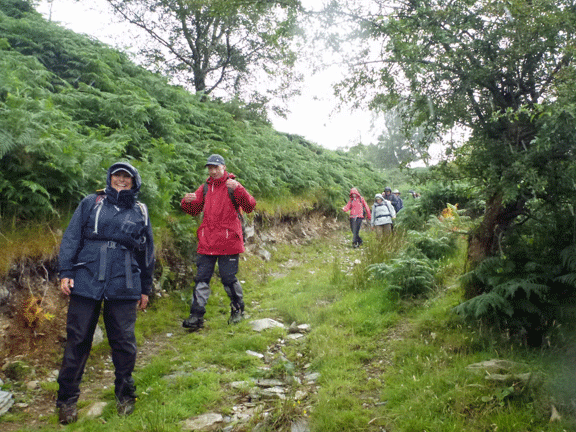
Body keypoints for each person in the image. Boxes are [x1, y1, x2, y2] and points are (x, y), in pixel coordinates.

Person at [56, 162, 155, 424]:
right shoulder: (91, 202)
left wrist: (145, 288)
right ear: (109, 179)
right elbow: (71, 237)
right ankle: (66, 401)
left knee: (123, 341)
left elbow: (147, 252)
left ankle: (125, 395)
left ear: (135, 182)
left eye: (127, 177)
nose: (121, 180)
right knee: (77, 340)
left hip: (124, 279)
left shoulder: (140, 211)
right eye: (117, 176)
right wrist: (66, 271)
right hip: (86, 276)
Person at [181, 154, 257, 331]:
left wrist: (239, 189)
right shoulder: (205, 188)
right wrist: (187, 202)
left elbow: (250, 206)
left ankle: (238, 311)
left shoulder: (233, 185)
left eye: (216, 167)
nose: (213, 171)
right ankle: (196, 316)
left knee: (229, 278)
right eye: (210, 167)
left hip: (229, 242)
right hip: (207, 242)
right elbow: (193, 210)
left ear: (224, 167)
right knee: (201, 279)